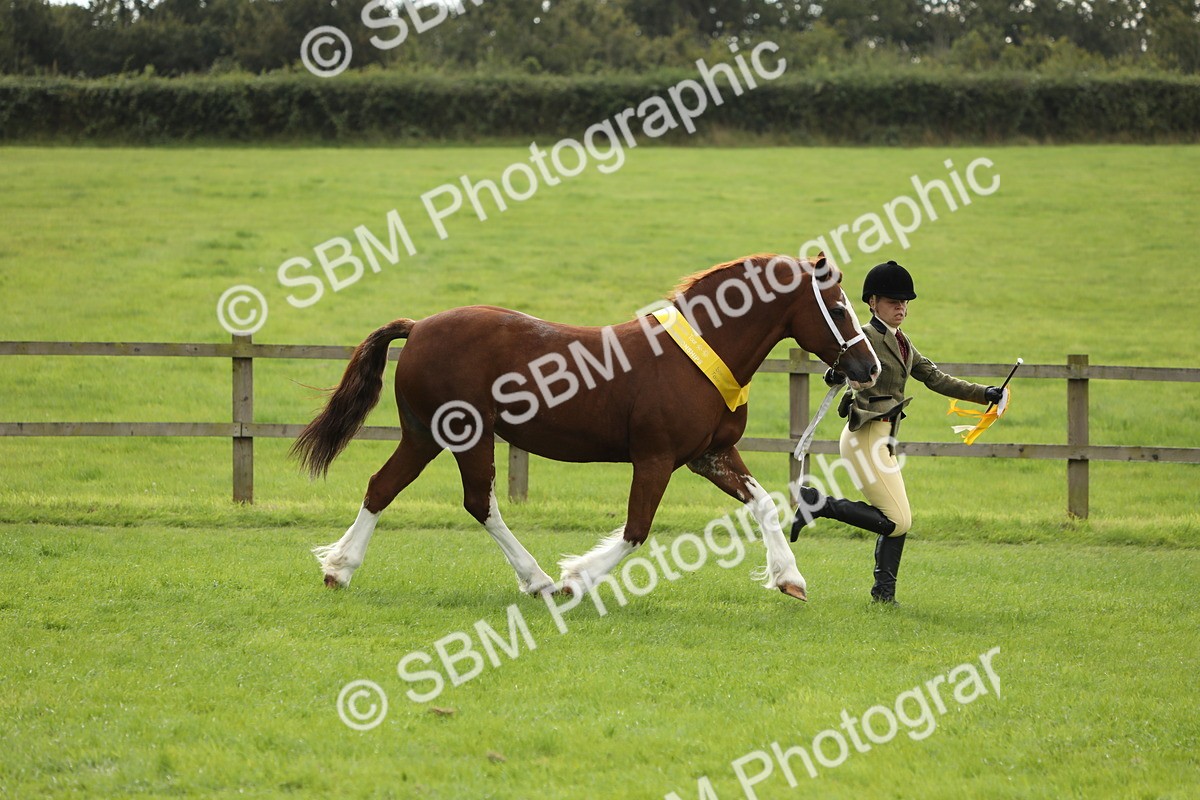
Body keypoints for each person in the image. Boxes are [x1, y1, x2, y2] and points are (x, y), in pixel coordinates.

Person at [790, 260, 1003, 606]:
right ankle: (818, 505)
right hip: (865, 437)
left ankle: (883, 595)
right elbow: (839, 368)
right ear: (872, 302)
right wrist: (836, 375)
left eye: (904, 303)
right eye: (893, 301)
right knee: (897, 520)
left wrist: (985, 394)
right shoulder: (864, 338)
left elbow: (936, 378)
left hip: (882, 440)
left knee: (899, 517)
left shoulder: (903, 343)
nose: (901, 308)